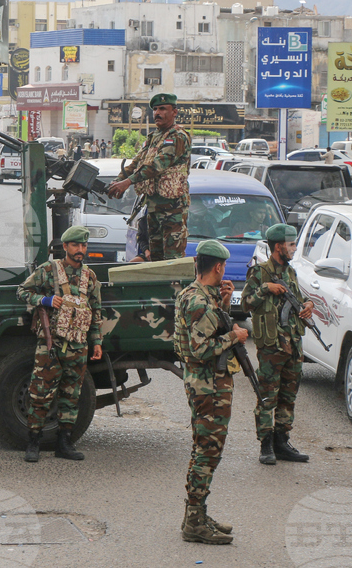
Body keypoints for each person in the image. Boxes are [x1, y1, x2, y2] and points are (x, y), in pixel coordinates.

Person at [174, 239, 248, 544]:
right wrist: (235, 336)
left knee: (202, 449)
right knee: (207, 452)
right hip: (208, 387)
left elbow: (207, 328)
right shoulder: (200, 301)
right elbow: (203, 348)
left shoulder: (195, 294)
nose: (225, 272)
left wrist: (225, 304)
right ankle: (195, 522)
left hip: (204, 384)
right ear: (217, 267)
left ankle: (197, 515)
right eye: (224, 267)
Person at [17, 225, 103, 463]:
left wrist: (96, 342)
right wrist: (43, 299)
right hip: (51, 344)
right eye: (75, 245)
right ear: (65, 247)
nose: (80, 250)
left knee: (71, 395)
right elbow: (22, 291)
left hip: (78, 344)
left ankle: (64, 443)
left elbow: (95, 311)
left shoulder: (90, 276)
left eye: (84, 246)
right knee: (40, 394)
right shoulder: (49, 270)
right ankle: (33, 442)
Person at [241, 224, 313, 466]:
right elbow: (245, 304)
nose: (294, 248)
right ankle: (266, 445)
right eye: (291, 244)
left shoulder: (290, 272)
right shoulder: (260, 272)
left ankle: (282, 442)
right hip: (272, 347)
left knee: (288, 397)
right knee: (267, 397)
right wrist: (265, 288)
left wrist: (307, 305)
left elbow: (298, 299)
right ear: (279, 246)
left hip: (293, 345)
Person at [107, 93, 191, 261]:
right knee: (155, 259)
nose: (157, 113)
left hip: (172, 210)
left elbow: (156, 166)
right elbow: (136, 164)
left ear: (174, 112)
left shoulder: (178, 136)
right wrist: (116, 182)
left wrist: (127, 182)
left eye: (162, 109)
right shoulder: (153, 138)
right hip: (153, 209)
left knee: (172, 261)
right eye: (155, 109)